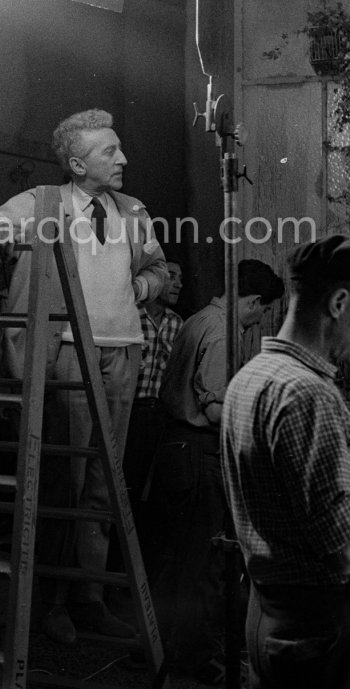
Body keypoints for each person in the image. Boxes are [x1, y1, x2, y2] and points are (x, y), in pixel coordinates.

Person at [0, 108, 168, 645]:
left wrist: (143, 289)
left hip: (121, 353)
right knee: (65, 481)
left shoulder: (132, 210)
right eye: (111, 151)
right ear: (78, 164)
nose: (123, 158)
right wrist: (0, 235)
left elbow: (159, 271)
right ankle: (52, 604)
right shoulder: (41, 202)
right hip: (65, 352)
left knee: (106, 484)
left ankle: (90, 598)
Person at [146, 259, 284, 682]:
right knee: (202, 561)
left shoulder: (196, 320)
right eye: (263, 312)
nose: (260, 320)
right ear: (253, 302)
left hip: (175, 446)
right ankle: (192, 657)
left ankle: (161, 646)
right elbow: (215, 407)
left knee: (179, 558)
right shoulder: (223, 331)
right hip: (197, 451)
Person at [221, 235, 350, 689]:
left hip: (266, 612)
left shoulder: (250, 376)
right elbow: (339, 545)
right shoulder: (310, 394)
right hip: (314, 627)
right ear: (338, 302)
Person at [123, 258, 184, 517]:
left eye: (181, 279)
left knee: (149, 488)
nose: (179, 285)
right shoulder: (130, 315)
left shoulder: (177, 324)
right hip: (128, 412)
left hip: (159, 416)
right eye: (171, 276)